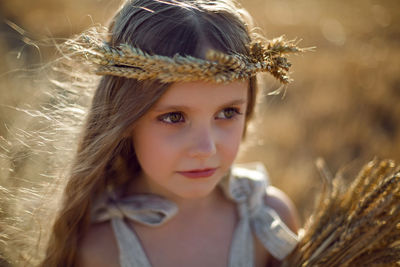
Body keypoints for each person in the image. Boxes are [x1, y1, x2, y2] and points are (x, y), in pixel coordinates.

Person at [4, 0, 306, 266]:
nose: (205, 148)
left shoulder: (268, 222)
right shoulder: (101, 249)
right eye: (174, 117)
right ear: (124, 118)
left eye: (227, 113)